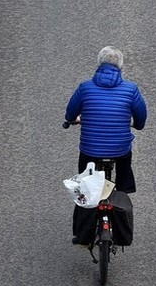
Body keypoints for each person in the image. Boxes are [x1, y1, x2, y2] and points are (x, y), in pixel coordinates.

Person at [63, 46, 147, 195]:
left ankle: (85, 212)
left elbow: (70, 114)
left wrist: (74, 119)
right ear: (120, 66)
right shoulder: (131, 89)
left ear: (99, 64)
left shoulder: (85, 88)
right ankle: (122, 193)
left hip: (90, 150)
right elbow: (140, 121)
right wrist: (134, 123)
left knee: (85, 189)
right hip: (120, 150)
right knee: (123, 177)